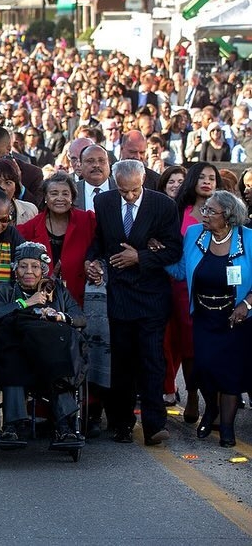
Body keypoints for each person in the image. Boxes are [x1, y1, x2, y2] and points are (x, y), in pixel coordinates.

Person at [86, 159, 182, 446]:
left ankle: (154, 425)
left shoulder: (163, 205)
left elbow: (174, 251)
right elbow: (99, 242)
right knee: (122, 363)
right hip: (119, 295)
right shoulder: (103, 203)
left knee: (152, 360)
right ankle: (121, 423)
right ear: (115, 184)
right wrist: (93, 261)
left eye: (134, 190)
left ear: (143, 182)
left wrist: (140, 257)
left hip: (151, 295)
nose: (129, 196)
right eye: (123, 191)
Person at [0, 242, 88, 448]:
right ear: (15, 270)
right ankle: (12, 426)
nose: (29, 271)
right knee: (11, 356)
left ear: (43, 270)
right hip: (14, 356)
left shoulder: (58, 292)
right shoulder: (2, 290)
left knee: (59, 359)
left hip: (49, 357)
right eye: (23, 266)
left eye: (35, 266)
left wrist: (59, 315)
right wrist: (24, 304)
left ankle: (65, 426)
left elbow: (80, 318)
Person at [166, 191, 252, 448]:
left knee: (231, 374)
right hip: (204, 317)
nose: (203, 215)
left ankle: (227, 427)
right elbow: (181, 271)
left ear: (227, 216)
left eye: (210, 211)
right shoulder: (194, 235)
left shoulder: (248, 239)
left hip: (236, 319)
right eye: (204, 210)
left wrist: (246, 304)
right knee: (204, 369)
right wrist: (158, 256)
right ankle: (211, 411)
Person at [168, 162, 221, 419]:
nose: (207, 181)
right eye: (201, 177)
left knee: (216, 346)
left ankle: (216, 402)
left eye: (212, 178)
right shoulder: (180, 210)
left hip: (218, 287)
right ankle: (191, 396)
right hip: (183, 288)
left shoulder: (227, 212)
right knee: (189, 347)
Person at [17, 172, 97, 306]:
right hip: (41, 300)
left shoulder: (87, 221)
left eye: (65, 194)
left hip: (77, 298)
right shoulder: (31, 227)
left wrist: (94, 262)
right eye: (54, 193)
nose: (60, 198)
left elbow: (103, 243)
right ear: (45, 197)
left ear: (72, 197)